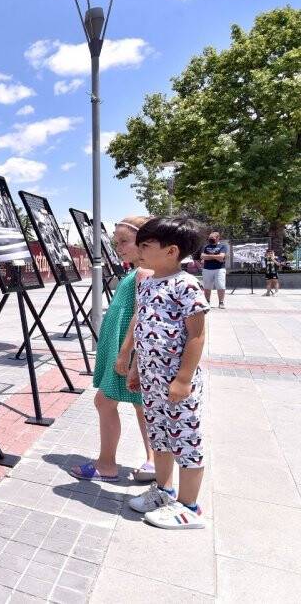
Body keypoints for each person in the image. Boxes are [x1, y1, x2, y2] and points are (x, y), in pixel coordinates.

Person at [125, 217, 209, 529]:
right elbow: (143, 330)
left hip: (176, 382)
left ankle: (189, 507)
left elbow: (197, 335)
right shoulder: (147, 283)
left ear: (171, 251)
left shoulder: (186, 285)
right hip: (151, 380)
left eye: (145, 245)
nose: (139, 250)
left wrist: (184, 379)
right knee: (159, 437)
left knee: (186, 439)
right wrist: (136, 367)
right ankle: (163, 491)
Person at [71, 216, 155, 483]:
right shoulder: (139, 270)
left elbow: (141, 316)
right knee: (141, 405)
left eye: (124, 241)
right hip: (128, 350)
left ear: (145, 241)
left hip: (127, 350)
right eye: (116, 242)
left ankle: (107, 464)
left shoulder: (143, 272)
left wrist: (127, 355)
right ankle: (153, 462)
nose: (118, 248)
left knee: (104, 401)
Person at [199, 231, 227, 308]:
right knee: (207, 286)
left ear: (218, 238)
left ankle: (221, 302)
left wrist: (208, 256)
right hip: (207, 269)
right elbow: (202, 256)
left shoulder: (223, 246)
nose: (210, 239)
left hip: (219, 269)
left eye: (212, 238)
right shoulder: (205, 246)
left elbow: (221, 257)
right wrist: (216, 256)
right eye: (209, 238)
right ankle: (207, 302)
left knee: (220, 286)